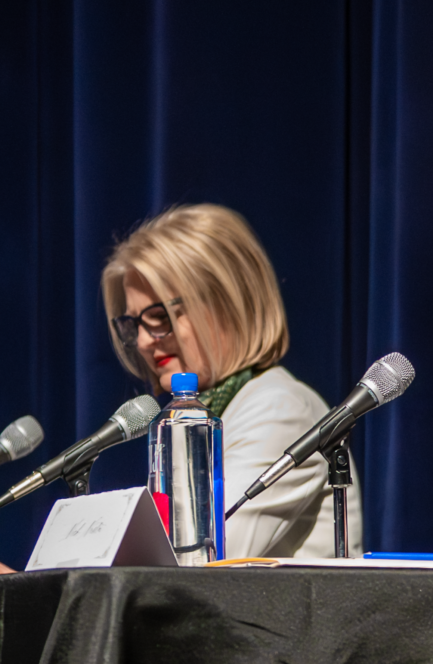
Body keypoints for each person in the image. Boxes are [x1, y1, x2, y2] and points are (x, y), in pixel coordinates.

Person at [102, 203, 362, 559]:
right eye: (134, 325)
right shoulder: (194, 415)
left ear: (226, 305)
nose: (145, 341)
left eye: (160, 316)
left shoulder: (279, 409)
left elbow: (197, 558)